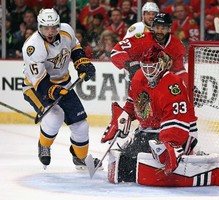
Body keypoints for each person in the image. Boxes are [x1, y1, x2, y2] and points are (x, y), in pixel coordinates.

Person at [101, 47, 198, 182]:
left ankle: (185, 152)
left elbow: (177, 120)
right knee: (124, 165)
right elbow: (132, 104)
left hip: (180, 133)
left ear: (161, 65)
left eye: (152, 67)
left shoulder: (172, 84)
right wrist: (122, 120)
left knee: (148, 163)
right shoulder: (137, 78)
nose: (148, 71)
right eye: (145, 67)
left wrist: (170, 143)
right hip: (149, 131)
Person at [21, 8, 101, 169]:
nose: (50, 32)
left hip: (63, 83)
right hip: (35, 87)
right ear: (39, 27)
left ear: (58, 25)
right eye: (45, 28)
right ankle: (44, 145)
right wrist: (55, 91)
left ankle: (80, 158)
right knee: (55, 116)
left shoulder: (67, 30)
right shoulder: (32, 47)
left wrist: (83, 64)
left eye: (53, 27)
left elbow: (76, 49)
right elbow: (40, 82)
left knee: (81, 124)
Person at [111, 12, 189, 86]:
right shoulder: (141, 40)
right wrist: (129, 64)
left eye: (163, 28)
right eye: (157, 27)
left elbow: (179, 71)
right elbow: (116, 51)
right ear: (152, 27)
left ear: (169, 28)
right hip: (141, 82)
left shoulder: (177, 45)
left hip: (164, 85)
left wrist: (189, 87)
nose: (159, 31)